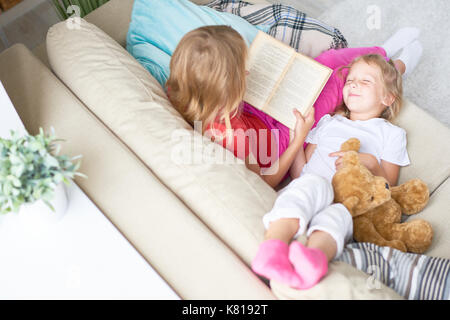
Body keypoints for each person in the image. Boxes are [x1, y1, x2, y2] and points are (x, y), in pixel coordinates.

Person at [251, 29, 423, 289]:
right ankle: (273, 247)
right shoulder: (330, 123)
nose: (353, 84)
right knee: (312, 185)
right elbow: (300, 174)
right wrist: (299, 139)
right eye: (350, 80)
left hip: (348, 201)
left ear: (387, 98)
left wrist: (370, 163)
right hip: (312, 185)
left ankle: (313, 259)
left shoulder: (391, 133)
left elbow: (387, 186)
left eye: (365, 82)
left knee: (340, 217)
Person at [166, 25, 422, 193]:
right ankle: (396, 68)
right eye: (241, 73)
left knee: (326, 60)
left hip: (255, 111)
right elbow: (266, 180)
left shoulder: (184, 91)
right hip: (283, 137)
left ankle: (382, 52)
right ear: (224, 87)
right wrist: (299, 139)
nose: (247, 71)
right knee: (334, 80)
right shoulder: (234, 137)